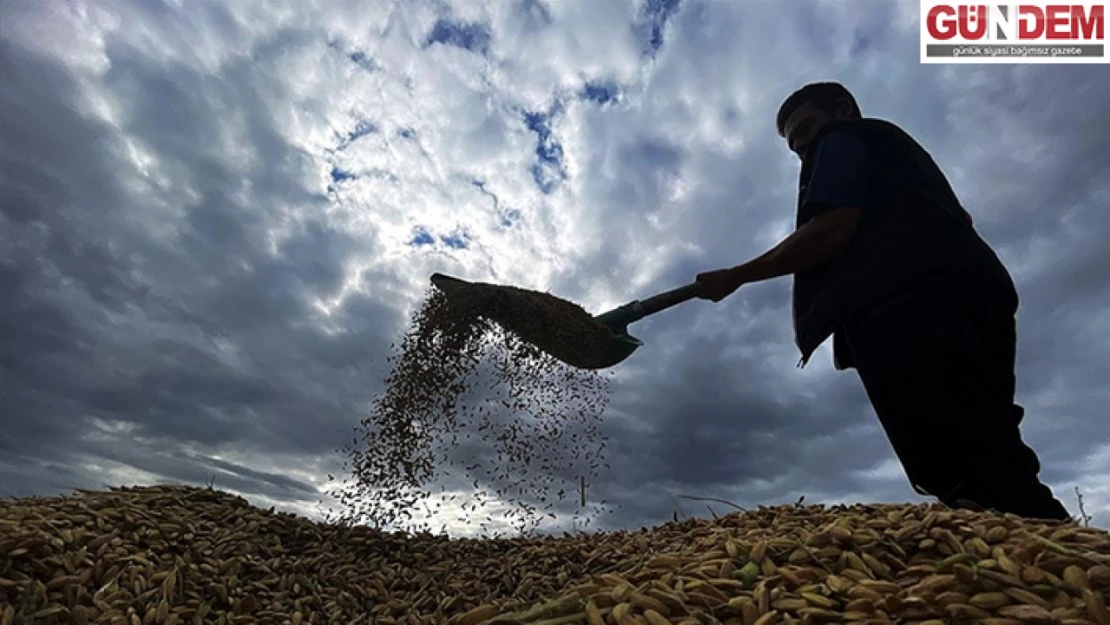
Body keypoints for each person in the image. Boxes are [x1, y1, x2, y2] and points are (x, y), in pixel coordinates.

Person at [694, 81, 1070, 521]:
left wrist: (736, 276)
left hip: (905, 305)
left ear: (842, 109)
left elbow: (835, 225)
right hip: (978, 290)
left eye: (808, 130)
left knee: (951, 457)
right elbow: (963, 219)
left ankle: (1039, 562)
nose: (806, 149)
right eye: (796, 147)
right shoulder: (905, 157)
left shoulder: (842, 138)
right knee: (989, 435)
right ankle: (1058, 558)